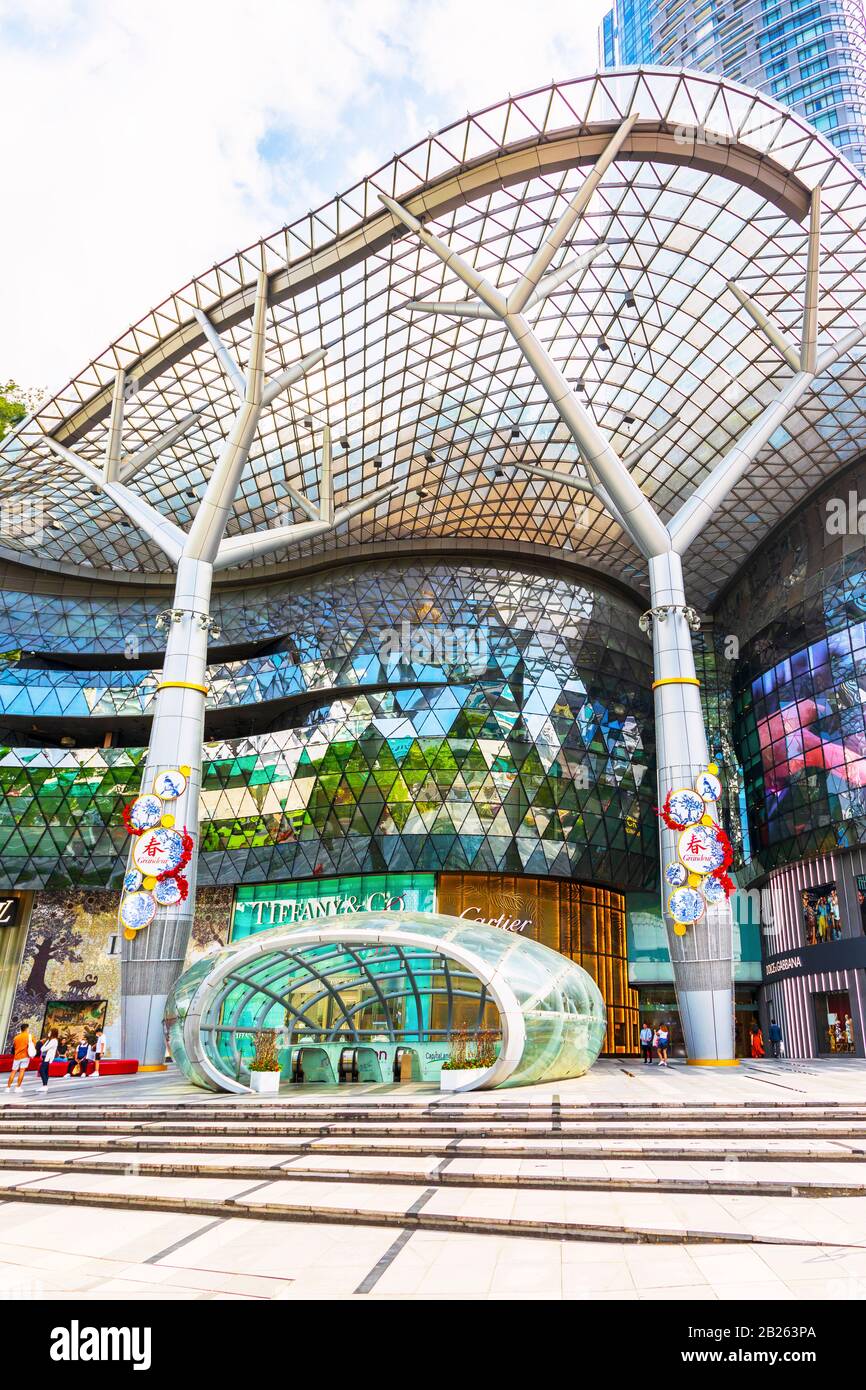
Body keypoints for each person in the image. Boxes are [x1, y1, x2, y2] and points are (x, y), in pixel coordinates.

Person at [6, 1020, 35, 1097]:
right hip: (25, 1056)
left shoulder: (16, 1037)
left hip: (17, 1056)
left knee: (13, 1071)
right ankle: (17, 1087)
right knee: (22, 1071)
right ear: (26, 1029)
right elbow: (33, 1046)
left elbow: (14, 1047)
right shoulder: (30, 1036)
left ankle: (8, 1087)